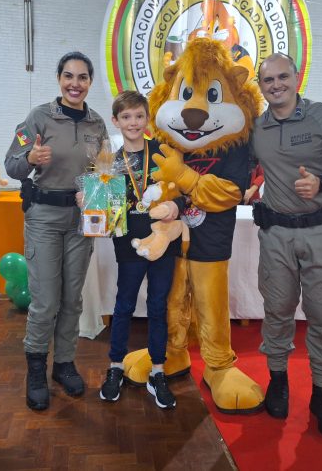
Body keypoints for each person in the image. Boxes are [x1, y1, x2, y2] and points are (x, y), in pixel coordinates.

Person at [250, 53, 322, 439]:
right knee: (277, 312)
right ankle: (278, 381)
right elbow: (232, 162)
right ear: (260, 85)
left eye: (282, 77)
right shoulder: (257, 127)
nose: (276, 85)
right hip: (276, 235)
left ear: (296, 77)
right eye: (268, 80)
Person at [4, 52, 108, 411]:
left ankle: (63, 364)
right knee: (46, 300)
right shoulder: (38, 117)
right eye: (68, 76)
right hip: (44, 218)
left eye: (82, 77)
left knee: (72, 299)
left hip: (81, 220)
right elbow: (11, 165)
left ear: (90, 82)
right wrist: (30, 159)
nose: (75, 84)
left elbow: (104, 173)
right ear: (59, 78)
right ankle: (36, 369)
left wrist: (97, 193)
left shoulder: (97, 124)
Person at [98, 91, 182, 409]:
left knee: (158, 306)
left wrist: (176, 204)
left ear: (147, 119)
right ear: (115, 121)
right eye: (126, 117)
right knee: (124, 305)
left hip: (163, 243)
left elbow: (183, 190)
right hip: (128, 243)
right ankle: (115, 366)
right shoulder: (110, 162)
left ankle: (157, 371)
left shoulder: (162, 153)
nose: (133, 122)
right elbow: (103, 208)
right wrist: (90, 202)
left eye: (138, 116)